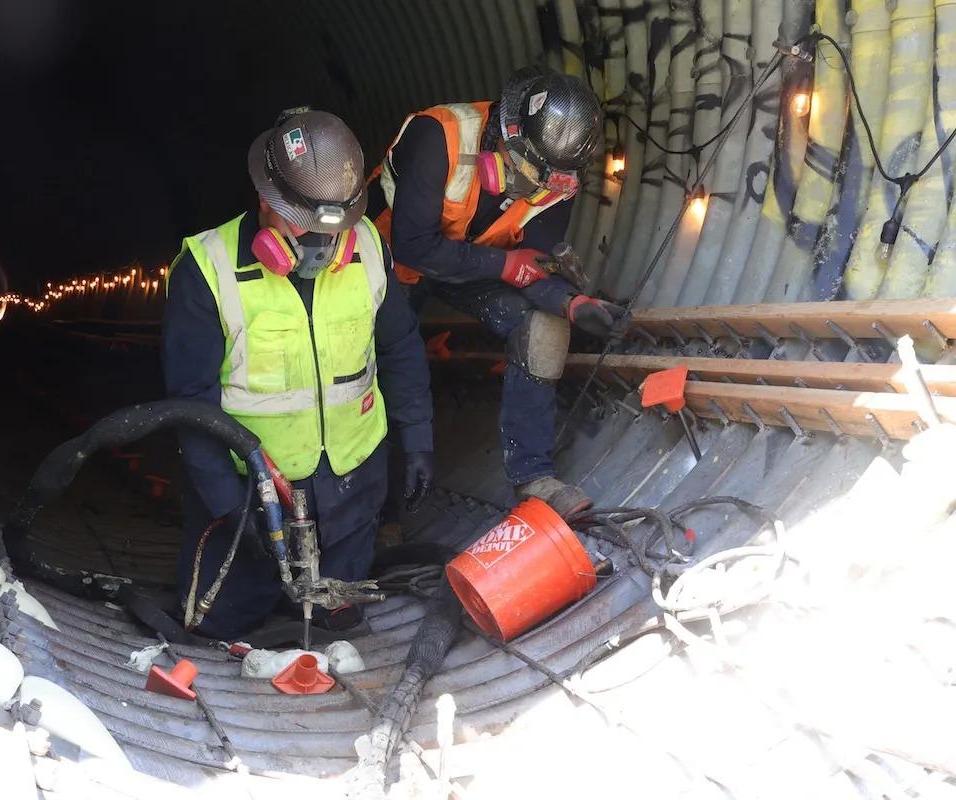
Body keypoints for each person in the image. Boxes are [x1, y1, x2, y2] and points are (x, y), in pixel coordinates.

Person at [162, 108, 434, 641]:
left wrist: (418, 437)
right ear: (267, 200)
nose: (319, 246)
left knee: (338, 627)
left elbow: (400, 347)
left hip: (353, 480)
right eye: (304, 227)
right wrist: (232, 514)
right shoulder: (206, 269)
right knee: (221, 629)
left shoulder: (370, 249)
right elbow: (190, 406)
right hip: (251, 493)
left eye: (333, 231)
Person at [365, 66, 622, 517]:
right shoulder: (437, 136)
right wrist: (504, 264)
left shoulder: (556, 178)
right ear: (503, 136)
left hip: (472, 263)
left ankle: (533, 476)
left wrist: (572, 302)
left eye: (546, 180)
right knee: (383, 370)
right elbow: (412, 244)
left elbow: (535, 263)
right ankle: (384, 507)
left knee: (543, 327)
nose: (534, 188)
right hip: (389, 263)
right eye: (526, 171)